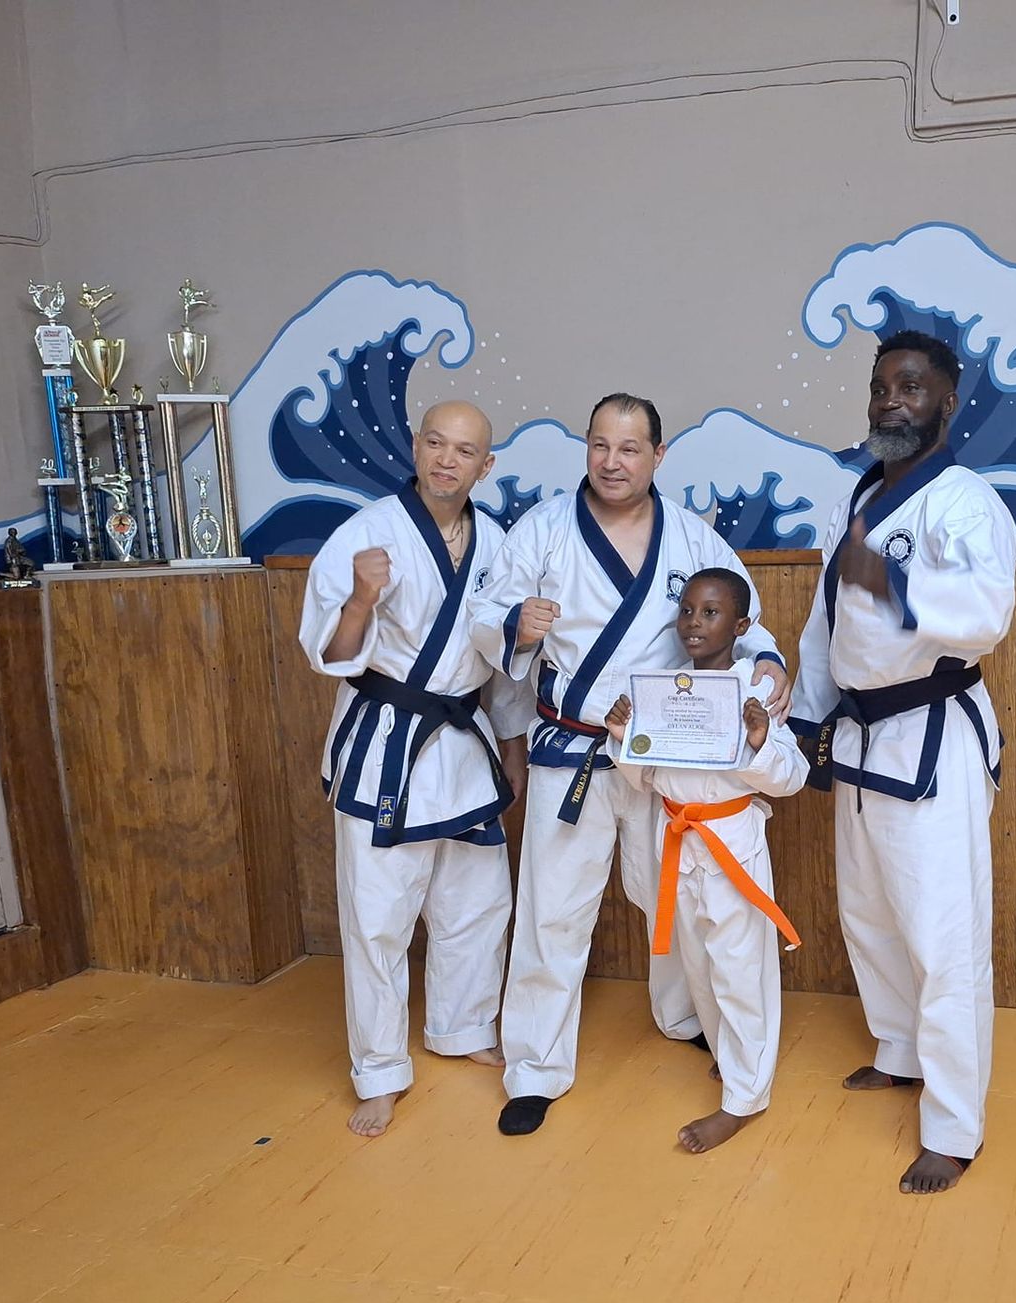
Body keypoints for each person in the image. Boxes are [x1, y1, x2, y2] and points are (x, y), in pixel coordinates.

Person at [472, 393, 793, 1136]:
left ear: (658, 455)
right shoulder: (545, 531)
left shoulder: (689, 535)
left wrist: (769, 657)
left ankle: (688, 1018)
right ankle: (536, 1068)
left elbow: (743, 614)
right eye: (599, 446)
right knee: (554, 912)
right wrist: (515, 625)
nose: (612, 462)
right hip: (572, 749)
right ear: (586, 449)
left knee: (674, 899)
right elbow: (485, 618)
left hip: (663, 755)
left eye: (629, 448)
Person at [790, 332, 1016, 1194]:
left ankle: (956, 1125)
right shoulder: (860, 497)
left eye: (911, 388)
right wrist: (806, 720)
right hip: (859, 738)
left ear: (946, 403)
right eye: (882, 386)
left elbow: (987, 609)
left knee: (943, 935)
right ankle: (898, 1050)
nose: (892, 400)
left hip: (930, 735)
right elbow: (826, 627)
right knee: (872, 913)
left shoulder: (963, 501)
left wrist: (893, 583)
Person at [299, 400, 531, 1138]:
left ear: (484, 466)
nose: (446, 459)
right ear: (416, 445)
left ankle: (463, 1030)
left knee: (477, 902)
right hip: (385, 744)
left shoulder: (498, 542)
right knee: (377, 917)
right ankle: (378, 1070)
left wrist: (513, 746)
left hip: (464, 742)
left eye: (465, 451)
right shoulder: (364, 534)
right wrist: (364, 598)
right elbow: (328, 655)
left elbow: (504, 667)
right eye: (435, 442)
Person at [602, 568, 807, 1152]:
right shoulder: (664, 690)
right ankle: (733, 1061)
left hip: (732, 840)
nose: (694, 623)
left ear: (742, 626)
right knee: (701, 971)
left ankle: (744, 1098)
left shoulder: (756, 692)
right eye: (687, 611)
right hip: (677, 838)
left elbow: (792, 778)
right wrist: (623, 739)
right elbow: (647, 779)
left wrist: (760, 740)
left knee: (741, 970)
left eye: (711, 613)